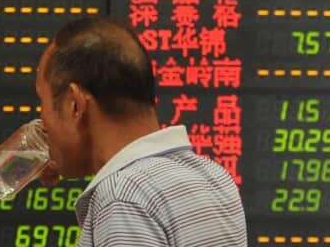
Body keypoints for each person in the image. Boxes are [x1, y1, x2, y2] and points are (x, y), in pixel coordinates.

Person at [32, 16, 246, 247]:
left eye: (42, 103)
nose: (42, 124)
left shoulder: (122, 197)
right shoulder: (214, 177)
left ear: (75, 105)